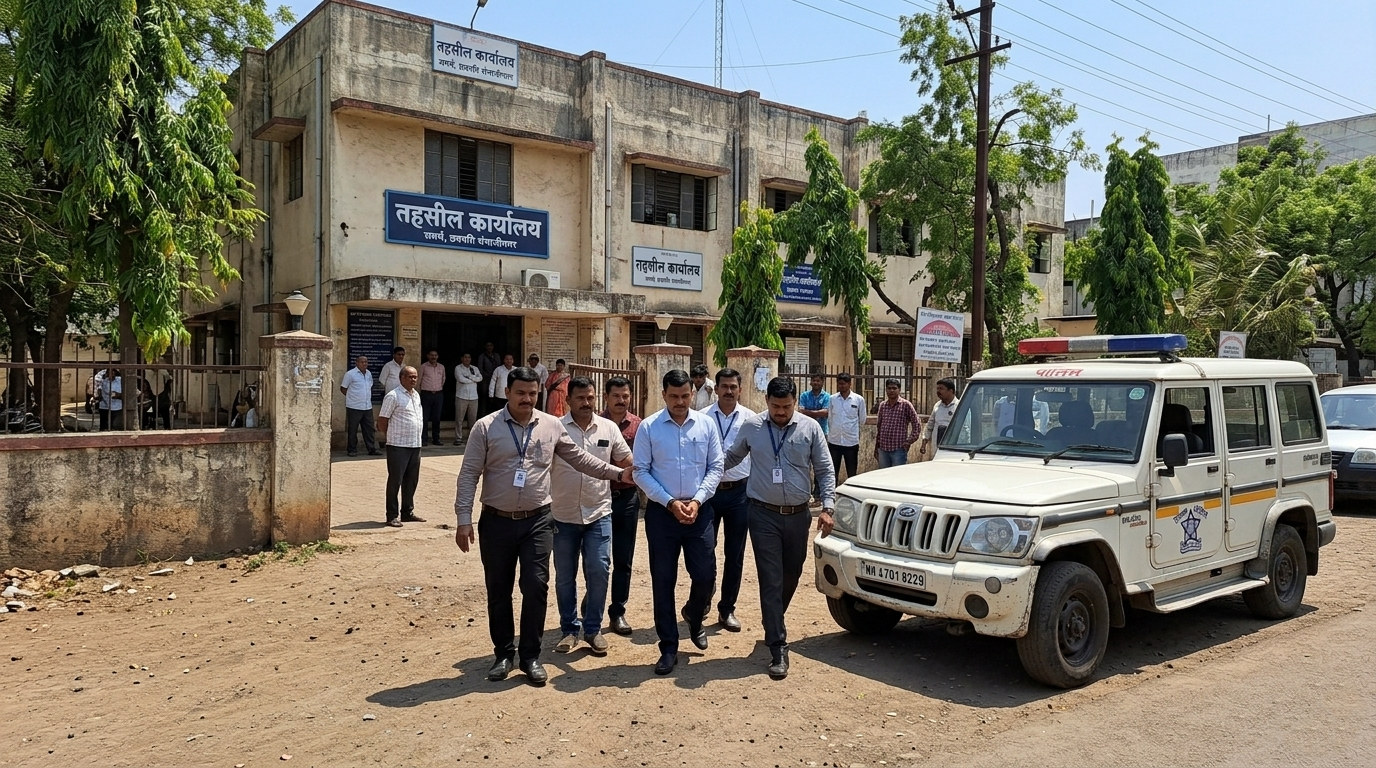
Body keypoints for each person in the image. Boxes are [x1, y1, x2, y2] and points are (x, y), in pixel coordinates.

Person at [453, 367, 632, 686]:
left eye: (533, 393)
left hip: (538, 521)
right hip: (496, 521)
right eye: (520, 392)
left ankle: (530, 657)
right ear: (507, 392)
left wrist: (618, 474)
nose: (527, 398)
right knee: (499, 590)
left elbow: (580, 459)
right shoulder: (486, 427)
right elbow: (469, 474)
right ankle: (504, 654)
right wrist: (463, 518)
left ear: (541, 394)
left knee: (536, 586)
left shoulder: (550, 426)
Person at [722, 376, 835, 679]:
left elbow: (824, 468)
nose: (781, 412)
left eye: (786, 406)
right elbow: (732, 457)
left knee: (792, 572)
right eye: (775, 406)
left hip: (799, 515)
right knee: (770, 578)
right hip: (762, 514)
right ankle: (777, 645)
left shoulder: (809, 428)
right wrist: (700, 471)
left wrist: (827, 507)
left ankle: (773, 619)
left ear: (795, 402)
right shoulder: (753, 427)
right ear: (766, 402)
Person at [633, 369, 724, 676]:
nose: (681, 402)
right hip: (663, 514)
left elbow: (716, 467)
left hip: (700, 512)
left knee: (705, 575)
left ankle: (695, 616)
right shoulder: (649, 427)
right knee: (663, 580)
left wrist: (697, 500)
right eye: (674, 397)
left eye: (685, 396)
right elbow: (640, 471)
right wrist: (670, 502)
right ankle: (668, 646)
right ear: (664, 395)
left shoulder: (706, 424)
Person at [551, 377, 633, 657]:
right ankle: (569, 630)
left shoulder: (608, 428)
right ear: (568, 400)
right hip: (563, 515)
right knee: (565, 577)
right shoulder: (555, 429)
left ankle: (593, 629)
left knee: (599, 571)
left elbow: (627, 460)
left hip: (599, 513)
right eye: (581, 398)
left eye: (590, 398)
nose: (587, 403)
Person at [701, 368, 755, 632]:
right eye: (724, 386)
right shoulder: (701, 418)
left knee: (734, 554)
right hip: (708, 494)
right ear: (716, 389)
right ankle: (702, 600)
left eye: (734, 386)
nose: (729, 391)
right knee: (704, 550)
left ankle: (727, 609)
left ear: (740, 389)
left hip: (739, 494)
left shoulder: (751, 420)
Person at [601, 376, 643, 636]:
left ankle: (618, 611)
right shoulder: (595, 425)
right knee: (598, 559)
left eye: (625, 396)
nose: (621, 400)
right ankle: (593, 602)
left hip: (627, 500)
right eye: (616, 395)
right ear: (606, 397)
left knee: (623, 560)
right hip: (599, 499)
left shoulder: (639, 426)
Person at [377, 366, 426, 528]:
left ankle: (407, 512)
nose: (413, 380)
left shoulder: (416, 395)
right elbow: (382, 421)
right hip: (398, 446)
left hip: (414, 445)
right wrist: (391, 436)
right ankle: (392, 515)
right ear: (401, 378)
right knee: (395, 481)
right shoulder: (393, 396)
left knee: (411, 481)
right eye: (410, 377)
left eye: (415, 377)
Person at [874, 378, 922, 469]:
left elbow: (917, 424)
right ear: (886, 390)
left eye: (894, 388)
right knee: (884, 476)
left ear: (899, 390)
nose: (891, 390)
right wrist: (877, 447)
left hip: (899, 449)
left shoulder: (906, 405)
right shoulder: (883, 405)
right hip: (883, 449)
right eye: (889, 388)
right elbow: (879, 427)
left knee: (897, 476)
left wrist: (909, 441)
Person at [827, 372, 865, 483]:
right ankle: (832, 493)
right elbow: (830, 418)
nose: (841, 386)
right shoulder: (832, 399)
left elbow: (862, 419)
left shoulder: (858, 399)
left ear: (849, 384)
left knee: (852, 471)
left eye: (844, 384)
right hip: (834, 441)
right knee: (833, 471)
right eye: (839, 384)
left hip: (851, 442)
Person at [341, 356, 380, 456]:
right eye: (362, 362)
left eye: (366, 362)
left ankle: (371, 449)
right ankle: (352, 450)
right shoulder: (350, 374)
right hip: (354, 406)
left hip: (367, 406)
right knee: (353, 429)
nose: (364, 364)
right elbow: (343, 388)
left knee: (369, 429)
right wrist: (352, 397)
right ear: (357, 363)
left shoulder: (368, 374)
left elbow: (369, 387)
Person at [920, 377, 960, 455]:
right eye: (937, 389)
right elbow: (929, 426)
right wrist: (924, 443)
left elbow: (965, 430)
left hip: (952, 450)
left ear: (950, 391)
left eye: (941, 389)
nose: (938, 391)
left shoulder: (959, 406)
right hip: (936, 450)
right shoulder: (937, 406)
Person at [453, 353, 482, 445]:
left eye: (469, 357)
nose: (467, 359)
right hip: (461, 396)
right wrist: (473, 379)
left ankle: (472, 438)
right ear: (462, 358)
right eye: (465, 357)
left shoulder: (474, 368)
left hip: (474, 397)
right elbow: (461, 379)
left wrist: (469, 377)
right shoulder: (458, 368)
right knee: (459, 418)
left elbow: (480, 378)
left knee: (472, 419)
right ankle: (458, 437)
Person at [419, 349, 446, 447]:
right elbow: (419, 380)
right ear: (428, 356)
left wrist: (437, 389)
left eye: (435, 355)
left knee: (437, 418)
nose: (433, 357)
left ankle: (436, 439)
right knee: (424, 418)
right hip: (426, 394)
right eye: (431, 355)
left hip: (438, 395)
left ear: (437, 356)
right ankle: (423, 439)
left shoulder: (441, 367)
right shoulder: (423, 367)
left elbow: (443, 380)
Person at [477, 342, 501, 415]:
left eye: (491, 345)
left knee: (495, 397)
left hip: (495, 379)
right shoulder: (482, 356)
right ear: (485, 347)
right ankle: (483, 414)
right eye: (488, 346)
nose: (489, 347)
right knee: (484, 397)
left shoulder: (496, 356)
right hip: (485, 379)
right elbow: (480, 368)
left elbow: (499, 367)